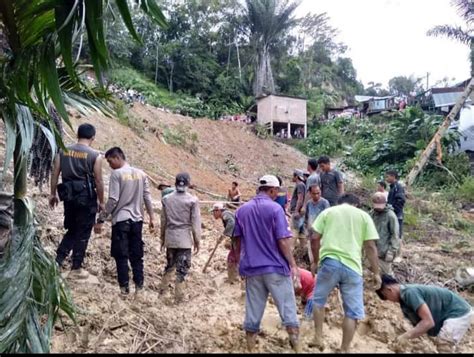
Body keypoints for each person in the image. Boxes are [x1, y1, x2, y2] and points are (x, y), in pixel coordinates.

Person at [233, 175, 301, 353]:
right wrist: (293, 264)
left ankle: (250, 348)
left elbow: (237, 241)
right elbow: (282, 241)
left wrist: (240, 263)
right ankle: (297, 348)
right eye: (276, 191)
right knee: (288, 311)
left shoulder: (242, 210)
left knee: (253, 311)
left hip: (252, 268)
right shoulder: (275, 209)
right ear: (272, 190)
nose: (277, 194)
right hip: (276, 268)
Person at [309, 193, 381, 353]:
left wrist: (315, 261)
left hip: (330, 262)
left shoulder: (328, 212)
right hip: (353, 267)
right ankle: (344, 349)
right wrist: (376, 272)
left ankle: (318, 338)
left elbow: (314, 238)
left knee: (318, 301)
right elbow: (370, 247)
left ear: (340, 202)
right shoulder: (364, 216)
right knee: (352, 312)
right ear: (356, 204)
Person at [96, 147, 155, 296]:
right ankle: (139, 288)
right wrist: (152, 217)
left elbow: (113, 200)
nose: (110, 165)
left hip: (121, 220)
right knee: (137, 255)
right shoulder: (141, 174)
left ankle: (124, 289)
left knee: (121, 255)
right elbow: (147, 197)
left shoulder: (117, 174)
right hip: (137, 220)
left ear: (117, 158)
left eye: (110, 161)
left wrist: (101, 218)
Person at [49, 123, 104, 279]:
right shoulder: (95, 155)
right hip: (86, 198)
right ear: (93, 137)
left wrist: (52, 194)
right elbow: (99, 181)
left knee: (72, 229)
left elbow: (55, 174)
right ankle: (76, 268)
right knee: (83, 232)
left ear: (77, 135)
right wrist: (101, 202)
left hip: (68, 196)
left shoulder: (63, 151)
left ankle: (58, 261)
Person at [376, 275, 474, 352]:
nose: (389, 300)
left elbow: (428, 322)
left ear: (389, 290)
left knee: (444, 346)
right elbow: (421, 325)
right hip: (450, 313)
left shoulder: (410, 293)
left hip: (458, 312)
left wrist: (406, 336)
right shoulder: (404, 301)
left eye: (385, 297)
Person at [159, 172, 201, 303]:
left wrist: (162, 238)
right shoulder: (192, 200)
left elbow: (163, 221)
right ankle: (178, 297)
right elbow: (195, 223)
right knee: (182, 269)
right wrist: (197, 241)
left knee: (169, 265)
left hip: (170, 238)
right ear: (188, 183)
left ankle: (162, 292)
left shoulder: (166, 199)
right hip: (184, 240)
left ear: (175, 183)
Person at [370, 192, 400, 276]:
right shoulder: (371, 214)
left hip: (385, 251)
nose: (378, 208)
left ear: (385, 204)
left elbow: (395, 235)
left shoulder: (390, 216)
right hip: (373, 250)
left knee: (387, 274)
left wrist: (391, 251)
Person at [211, 202, 239, 284]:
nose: (213, 214)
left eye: (214, 212)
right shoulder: (227, 214)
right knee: (235, 257)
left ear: (218, 211)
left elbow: (231, 223)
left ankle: (233, 279)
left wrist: (224, 235)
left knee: (232, 258)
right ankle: (234, 278)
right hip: (237, 238)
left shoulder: (225, 214)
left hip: (238, 238)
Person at [304, 185, 330, 263]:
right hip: (311, 233)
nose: (316, 195)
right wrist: (306, 231)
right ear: (310, 194)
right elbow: (306, 218)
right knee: (312, 257)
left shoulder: (324, 203)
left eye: (318, 193)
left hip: (321, 234)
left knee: (321, 256)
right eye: (314, 193)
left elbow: (328, 219)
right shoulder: (309, 203)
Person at [385, 170, 406, 238]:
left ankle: (398, 247)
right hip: (392, 213)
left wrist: (393, 209)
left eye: (387, 177)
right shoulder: (392, 187)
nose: (386, 178)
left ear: (393, 176)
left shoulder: (398, 187)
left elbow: (401, 200)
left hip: (397, 214)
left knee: (397, 234)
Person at [290, 169, 306, 251]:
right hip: (301, 213)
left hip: (297, 213)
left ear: (296, 176)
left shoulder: (299, 185)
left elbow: (300, 198)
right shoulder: (302, 185)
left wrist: (296, 211)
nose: (292, 177)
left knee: (294, 232)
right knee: (302, 234)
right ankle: (302, 252)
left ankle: (290, 251)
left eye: (293, 176)